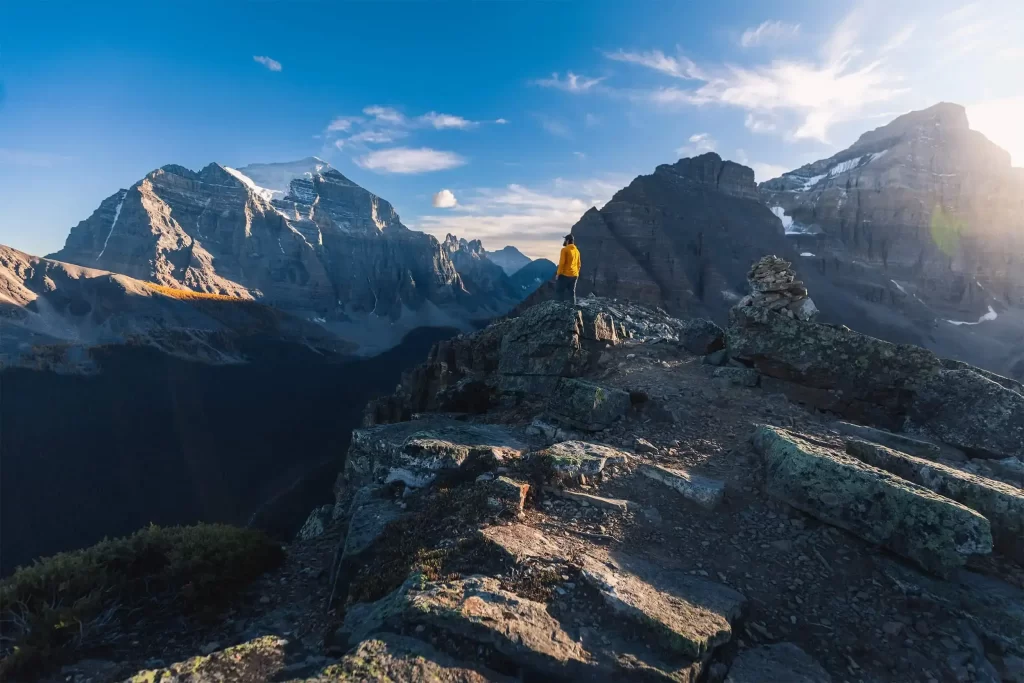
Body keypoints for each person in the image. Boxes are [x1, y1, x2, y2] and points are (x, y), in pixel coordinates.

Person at [554, 233, 581, 304]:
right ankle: (573, 307)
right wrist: (576, 273)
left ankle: (559, 307)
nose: (564, 241)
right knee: (572, 292)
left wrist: (558, 274)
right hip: (575, 275)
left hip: (565, 274)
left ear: (568, 240)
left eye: (565, 240)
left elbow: (562, 263)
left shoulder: (565, 250)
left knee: (559, 291)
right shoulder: (577, 251)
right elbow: (579, 264)